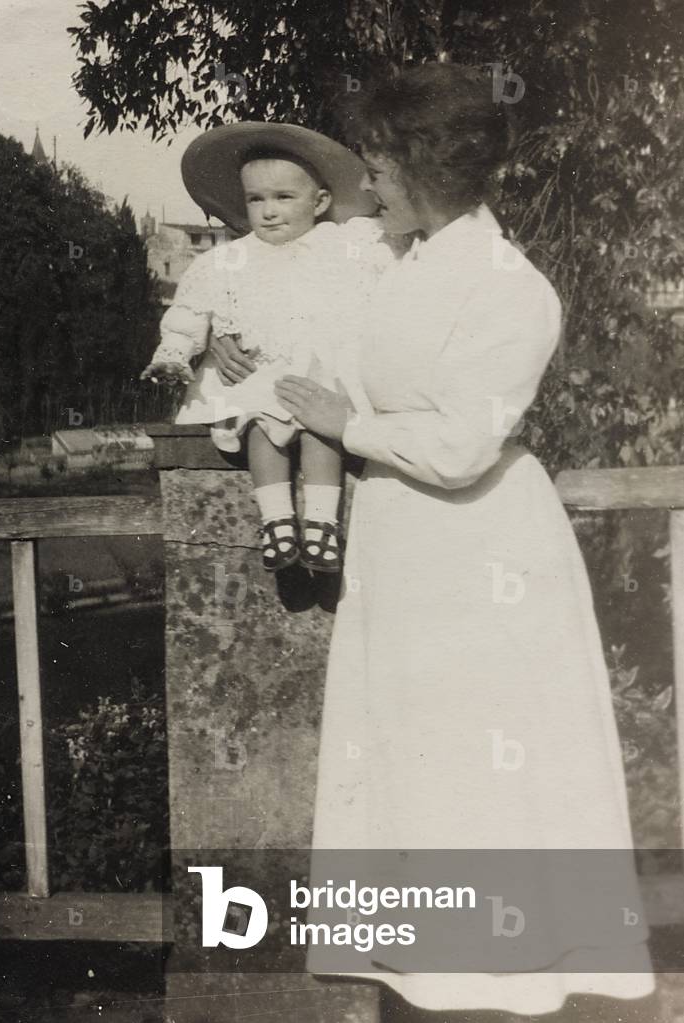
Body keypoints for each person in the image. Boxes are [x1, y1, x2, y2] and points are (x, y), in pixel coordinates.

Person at [269, 64, 659, 1019]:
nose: (368, 186)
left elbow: (457, 443)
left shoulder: (508, 288)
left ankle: (505, 982)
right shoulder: (403, 263)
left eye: (380, 166)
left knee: (482, 762)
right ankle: (428, 973)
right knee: (413, 758)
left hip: (479, 549)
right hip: (404, 542)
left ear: (423, 166)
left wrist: (346, 425)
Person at [142, 123, 394, 573]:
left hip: (320, 375)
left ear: (319, 203)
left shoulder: (341, 244)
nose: (269, 212)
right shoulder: (228, 259)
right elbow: (193, 309)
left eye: (283, 198)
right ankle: (276, 522)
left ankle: (321, 526)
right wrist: (174, 354)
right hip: (260, 375)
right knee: (261, 427)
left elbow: (388, 246)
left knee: (323, 430)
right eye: (256, 200)